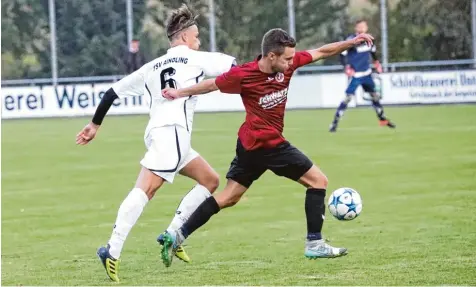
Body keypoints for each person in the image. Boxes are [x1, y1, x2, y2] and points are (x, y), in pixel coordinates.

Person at [159, 28, 374, 267]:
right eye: (287, 58)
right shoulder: (243, 75)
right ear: (271, 56)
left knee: (229, 197)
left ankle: (177, 235)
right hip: (269, 145)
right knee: (318, 182)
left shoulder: (287, 65)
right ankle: (315, 244)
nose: (292, 62)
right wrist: (178, 92)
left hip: (248, 146)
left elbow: (322, 51)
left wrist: (351, 42)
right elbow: (210, 85)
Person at [75, 4, 236, 282]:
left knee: (209, 180)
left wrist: (94, 124)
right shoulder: (194, 58)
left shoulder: (152, 66)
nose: (198, 42)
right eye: (196, 36)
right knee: (145, 189)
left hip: (163, 134)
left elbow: (112, 93)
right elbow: (234, 67)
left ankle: (172, 234)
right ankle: (112, 250)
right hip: (172, 133)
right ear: (184, 37)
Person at [329, 19, 396, 132]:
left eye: (364, 26)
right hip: (356, 75)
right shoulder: (351, 40)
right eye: (360, 27)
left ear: (366, 28)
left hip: (367, 74)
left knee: (374, 96)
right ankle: (334, 122)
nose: (362, 29)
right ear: (356, 28)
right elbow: (342, 53)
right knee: (347, 98)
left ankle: (382, 119)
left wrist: (377, 63)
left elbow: (373, 52)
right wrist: (347, 67)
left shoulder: (369, 39)